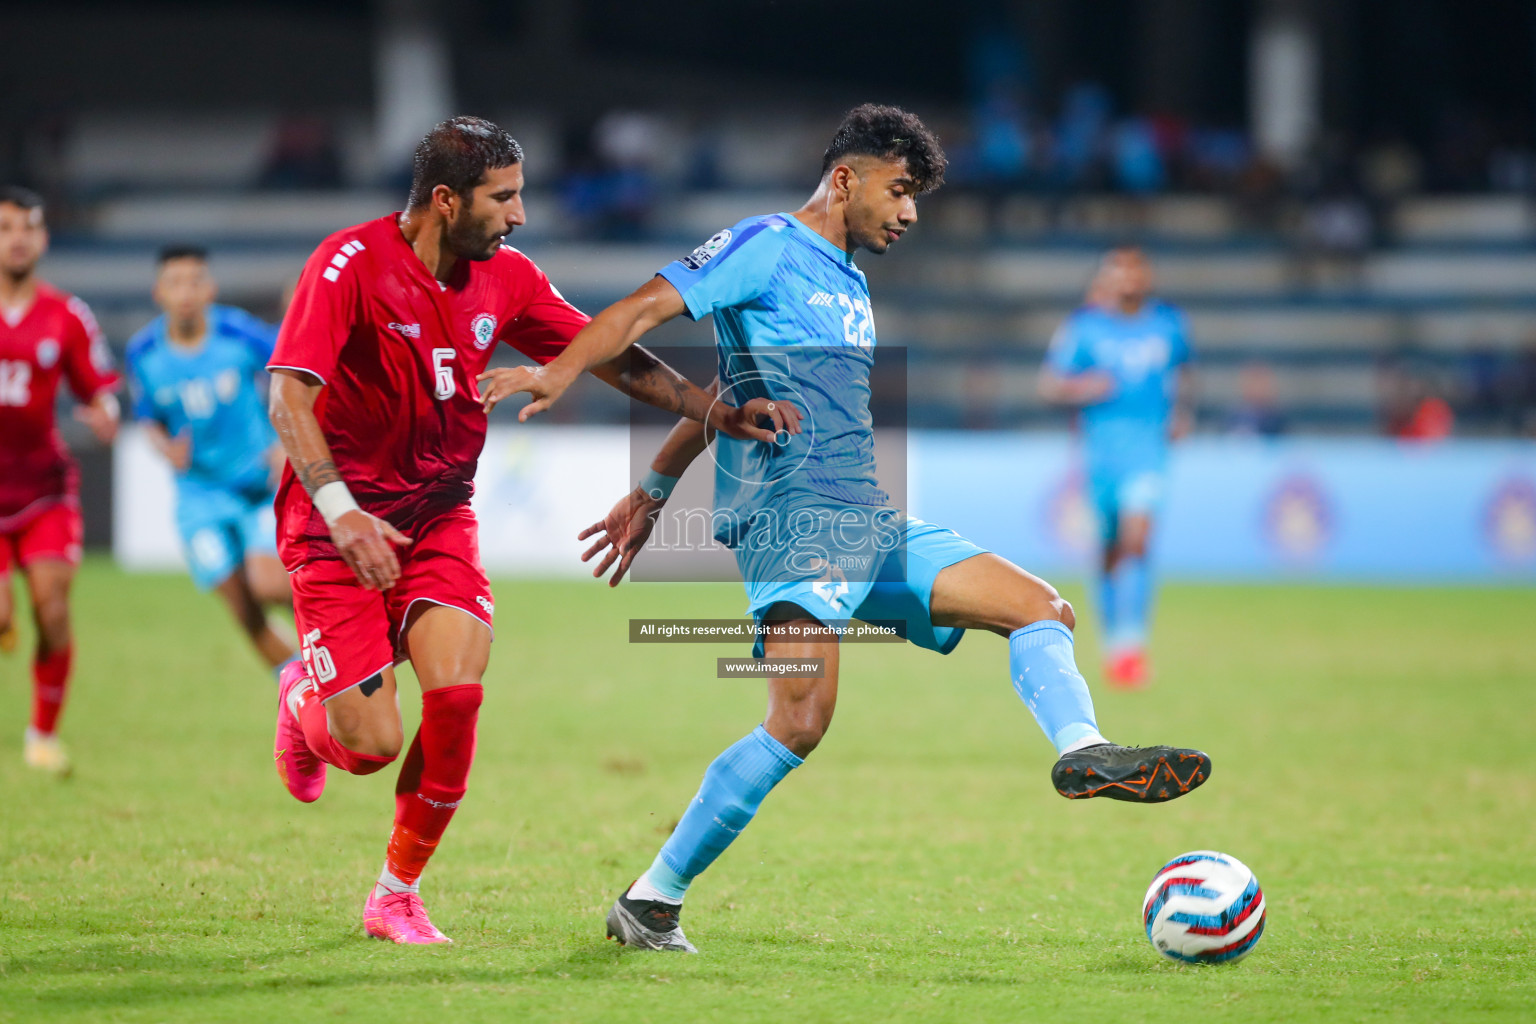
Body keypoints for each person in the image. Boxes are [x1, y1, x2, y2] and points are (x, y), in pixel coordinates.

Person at [479, 104, 1212, 954]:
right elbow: (639, 311)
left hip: (868, 514)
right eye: (899, 192)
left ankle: (1084, 751)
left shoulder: (849, 281)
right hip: (794, 519)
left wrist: (654, 486)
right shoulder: (762, 245)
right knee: (798, 720)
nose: (908, 214)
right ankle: (652, 902)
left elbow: (733, 394)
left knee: (1042, 608)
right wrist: (563, 369)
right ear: (844, 179)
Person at [266, 116, 789, 945]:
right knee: (368, 745)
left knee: (458, 695)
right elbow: (290, 396)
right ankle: (303, 700)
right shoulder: (349, 266)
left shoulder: (506, 276)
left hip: (438, 515)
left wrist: (716, 410)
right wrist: (341, 510)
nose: (518, 215)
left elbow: (608, 356)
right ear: (446, 200)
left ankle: (395, 893)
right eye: (503, 197)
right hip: (338, 527)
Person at [124, 246, 296, 674]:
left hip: (256, 484)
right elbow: (149, 417)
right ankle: (301, 689)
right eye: (175, 283)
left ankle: (342, 644)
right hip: (198, 497)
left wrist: (284, 441)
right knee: (244, 610)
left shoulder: (237, 333)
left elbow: (293, 369)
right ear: (158, 292)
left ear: (211, 289)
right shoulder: (142, 352)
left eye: (195, 281)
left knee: (269, 583)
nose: (186, 292)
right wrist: (165, 447)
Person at [0, 185, 120, 776]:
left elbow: (98, 385)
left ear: (43, 238)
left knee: (51, 611)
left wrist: (105, 412)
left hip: (45, 490)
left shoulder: (67, 314)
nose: (17, 238)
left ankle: (42, 734)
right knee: (2, 616)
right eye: (5, 227)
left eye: (27, 227)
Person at [1038, 247, 1194, 688]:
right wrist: (1086, 387)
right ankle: (1113, 645)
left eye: (1134, 270)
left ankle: (1132, 643)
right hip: (1101, 455)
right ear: (1107, 279)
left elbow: (1185, 371)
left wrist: (1183, 411)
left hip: (1148, 453)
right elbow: (1050, 384)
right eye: (1118, 272)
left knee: (1138, 539)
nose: (1127, 279)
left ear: (1146, 277)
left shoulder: (1169, 324)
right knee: (1108, 550)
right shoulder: (1085, 328)